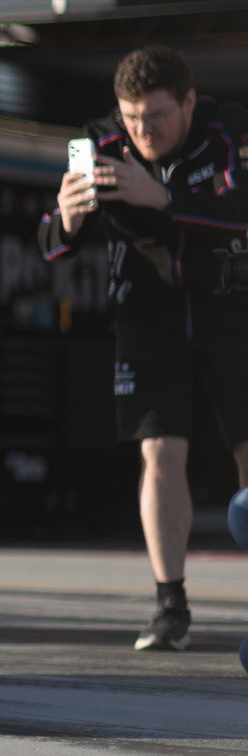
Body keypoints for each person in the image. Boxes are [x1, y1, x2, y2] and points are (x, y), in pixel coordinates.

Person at [39, 44, 248, 651]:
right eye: (131, 118)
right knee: (160, 450)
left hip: (229, 305)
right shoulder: (96, 142)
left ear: (187, 102)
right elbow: (51, 245)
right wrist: (68, 219)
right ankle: (169, 604)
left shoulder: (228, 128)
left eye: (155, 117)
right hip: (147, 313)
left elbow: (240, 215)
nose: (142, 131)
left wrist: (164, 199)